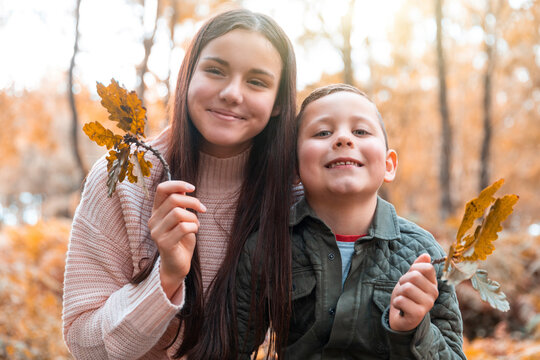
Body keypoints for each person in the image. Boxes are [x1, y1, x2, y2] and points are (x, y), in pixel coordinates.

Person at [62, 9, 297, 359]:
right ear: (187, 76)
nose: (233, 93)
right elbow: (83, 343)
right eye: (215, 70)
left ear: (278, 103)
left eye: (257, 81)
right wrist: (167, 275)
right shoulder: (126, 181)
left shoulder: (295, 195)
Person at [236, 84, 467, 359]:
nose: (343, 139)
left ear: (389, 165)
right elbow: (231, 348)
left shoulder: (424, 255)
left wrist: (415, 330)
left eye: (360, 131)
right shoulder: (267, 248)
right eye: (323, 132)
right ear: (294, 167)